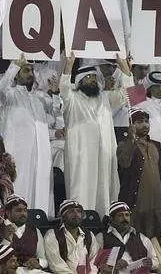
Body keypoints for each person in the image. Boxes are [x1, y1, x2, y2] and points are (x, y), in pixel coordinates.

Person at [60, 53, 133, 216]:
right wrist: (68, 66)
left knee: (105, 193)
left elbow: (129, 97)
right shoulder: (72, 100)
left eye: (94, 76)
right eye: (88, 77)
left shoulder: (105, 98)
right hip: (81, 158)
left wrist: (125, 70)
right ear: (79, 80)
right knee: (81, 191)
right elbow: (64, 89)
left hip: (104, 158)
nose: (93, 79)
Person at [0, 55, 56, 214]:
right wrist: (14, 65)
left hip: (40, 152)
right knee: (19, 183)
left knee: (40, 184)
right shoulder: (10, 94)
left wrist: (56, 92)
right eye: (26, 70)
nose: (31, 74)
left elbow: (57, 109)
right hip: (17, 151)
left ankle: (39, 218)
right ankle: (13, 217)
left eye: (32, 70)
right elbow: (0, 89)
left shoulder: (40, 97)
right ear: (16, 74)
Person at [116, 108, 161, 238]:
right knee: (136, 241)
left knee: (155, 240)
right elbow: (124, 163)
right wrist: (131, 139)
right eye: (139, 122)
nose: (145, 125)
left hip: (156, 206)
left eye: (146, 121)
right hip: (136, 205)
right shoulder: (123, 145)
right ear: (131, 124)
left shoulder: (156, 145)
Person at [0, 194, 49, 272]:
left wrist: (38, 262)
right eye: (18, 210)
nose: (23, 214)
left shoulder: (35, 231)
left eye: (25, 210)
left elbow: (44, 261)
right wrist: (7, 240)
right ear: (8, 213)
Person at [95, 201, 159, 274]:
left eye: (127, 215)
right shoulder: (102, 237)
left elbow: (155, 261)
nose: (124, 218)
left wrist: (151, 262)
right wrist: (112, 265)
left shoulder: (141, 237)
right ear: (111, 219)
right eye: (120, 215)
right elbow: (95, 262)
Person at [44, 200, 100, 273]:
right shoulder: (52, 235)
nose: (76, 214)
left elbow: (94, 260)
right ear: (63, 217)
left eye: (79, 211)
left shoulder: (89, 235)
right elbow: (57, 265)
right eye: (71, 212)